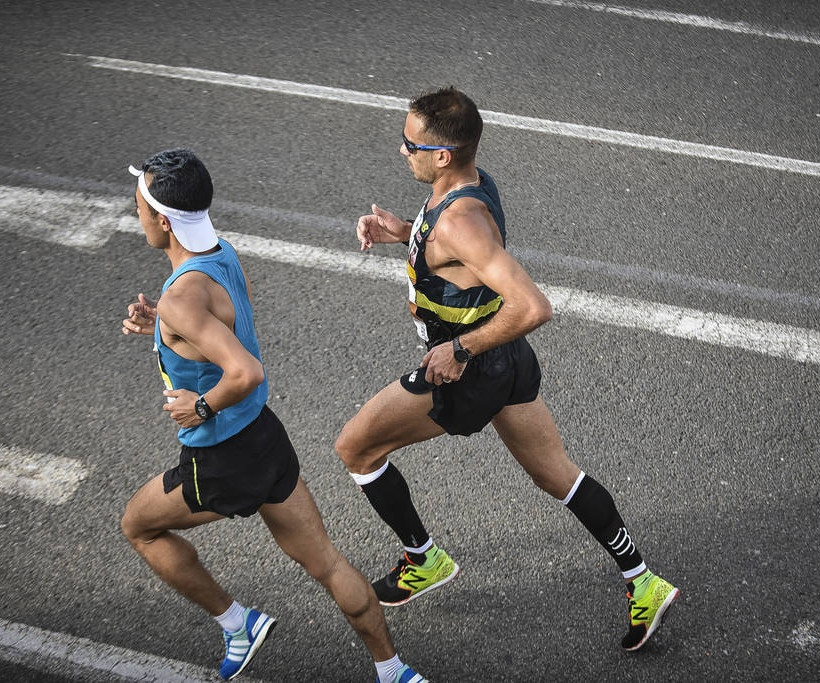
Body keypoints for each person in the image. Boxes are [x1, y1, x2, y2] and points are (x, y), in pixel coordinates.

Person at [335, 87, 679, 652]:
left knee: (356, 448)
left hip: (470, 370)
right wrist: (407, 234)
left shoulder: (459, 222)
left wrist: (460, 350)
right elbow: (462, 257)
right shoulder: (469, 186)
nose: (402, 151)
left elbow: (533, 307)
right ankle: (643, 581)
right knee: (557, 476)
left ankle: (423, 559)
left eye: (409, 144)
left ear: (441, 155)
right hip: (508, 360)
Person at [120, 148, 428, 683]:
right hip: (265, 439)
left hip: (221, 459)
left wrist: (199, 406)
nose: (136, 215)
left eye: (139, 208)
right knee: (327, 563)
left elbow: (245, 371)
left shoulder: (181, 300)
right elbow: (224, 324)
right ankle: (394, 670)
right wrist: (166, 334)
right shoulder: (220, 254)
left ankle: (237, 623)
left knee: (139, 527)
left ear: (163, 221)